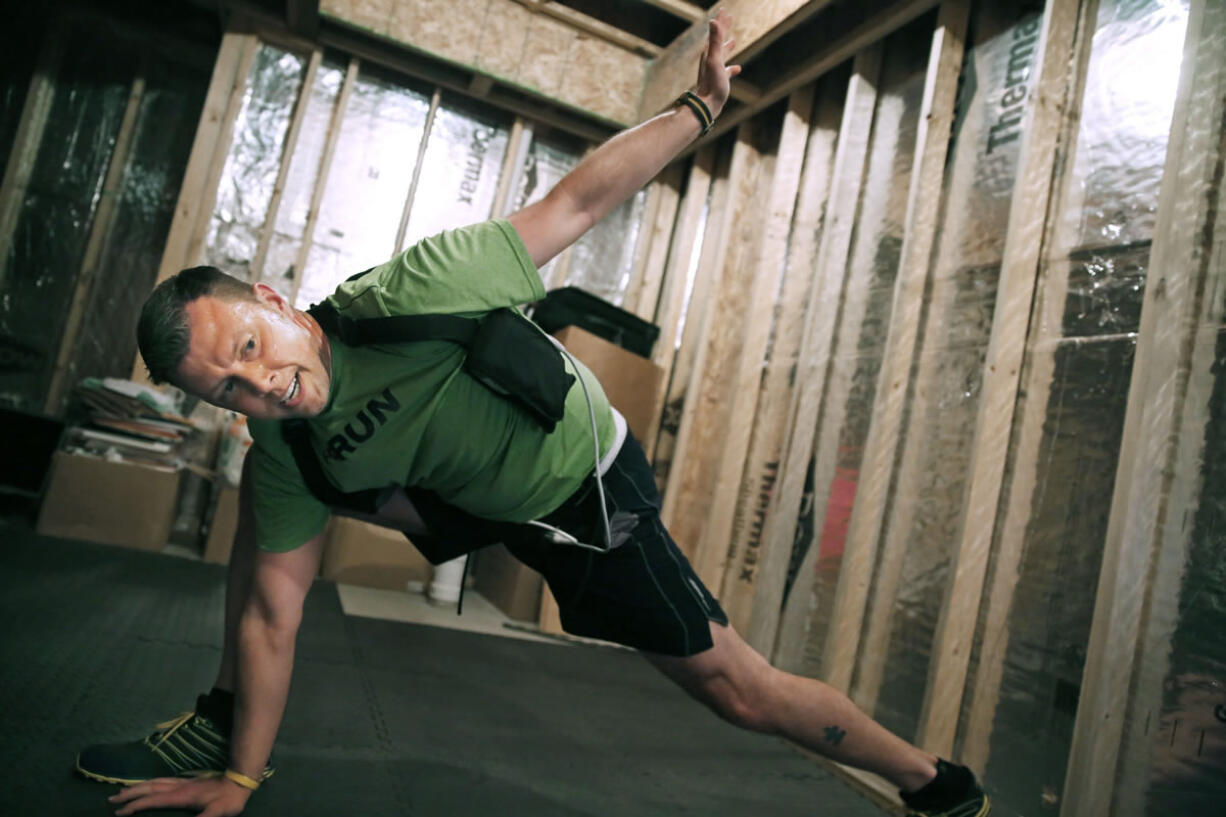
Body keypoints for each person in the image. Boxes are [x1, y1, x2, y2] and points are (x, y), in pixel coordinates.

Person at [79, 12, 989, 817]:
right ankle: (224, 727)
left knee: (736, 689)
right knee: (266, 514)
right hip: (486, 498)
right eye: (227, 390)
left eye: (248, 349)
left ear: (276, 302)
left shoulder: (413, 291)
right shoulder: (282, 445)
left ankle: (936, 785)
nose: (260, 384)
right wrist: (243, 781)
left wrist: (700, 109)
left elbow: (577, 201)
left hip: (582, 487)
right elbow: (274, 615)